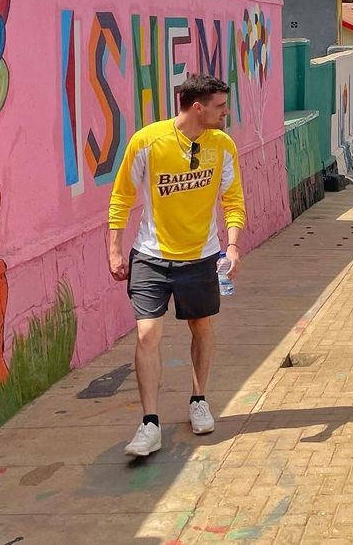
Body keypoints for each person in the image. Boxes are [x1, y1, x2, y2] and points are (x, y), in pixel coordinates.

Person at [108, 74, 245, 457]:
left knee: (201, 327)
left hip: (201, 257)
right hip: (151, 256)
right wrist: (115, 250)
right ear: (197, 107)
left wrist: (232, 247)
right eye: (220, 106)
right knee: (147, 335)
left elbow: (232, 199)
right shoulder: (148, 142)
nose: (225, 112)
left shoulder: (222, 146)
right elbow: (121, 197)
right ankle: (149, 423)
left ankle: (199, 399)